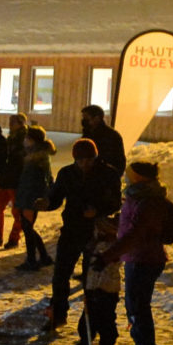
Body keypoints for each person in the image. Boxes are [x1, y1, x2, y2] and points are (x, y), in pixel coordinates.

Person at [94, 156, 173, 345]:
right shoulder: (138, 197)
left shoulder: (148, 201)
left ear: (138, 178)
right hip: (137, 258)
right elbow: (129, 227)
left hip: (145, 260)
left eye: (129, 175)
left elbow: (135, 235)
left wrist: (107, 256)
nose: (125, 178)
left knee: (138, 309)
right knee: (136, 307)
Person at [42, 136, 120, 330]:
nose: (85, 164)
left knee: (90, 278)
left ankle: (89, 324)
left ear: (95, 157)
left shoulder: (108, 174)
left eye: (89, 159)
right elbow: (56, 197)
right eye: (81, 160)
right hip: (71, 228)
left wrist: (98, 210)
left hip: (96, 232)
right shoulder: (67, 173)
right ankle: (58, 314)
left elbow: (116, 202)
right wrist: (46, 204)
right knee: (61, 274)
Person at [74, 220, 123, 345]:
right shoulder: (94, 245)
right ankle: (86, 338)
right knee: (89, 315)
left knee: (105, 318)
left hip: (105, 288)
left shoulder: (111, 247)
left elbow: (108, 268)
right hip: (93, 286)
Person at [11, 127, 54, 270]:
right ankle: (43, 256)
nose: (24, 141)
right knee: (27, 226)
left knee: (27, 227)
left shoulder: (37, 159)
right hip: (28, 196)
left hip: (30, 198)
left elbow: (37, 181)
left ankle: (32, 260)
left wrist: (32, 198)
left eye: (27, 138)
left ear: (32, 140)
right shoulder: (35, 156)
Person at [0, 114, 28, 244]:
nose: (11, 124)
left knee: (17, 212)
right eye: (10, 121)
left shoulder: (24, 139)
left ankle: (13, 238)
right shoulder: (10, 139)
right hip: (6, 179)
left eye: (14, 122)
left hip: (16, 180)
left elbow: (19, 160)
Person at [78, 102, 127, 180]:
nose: (83, 121)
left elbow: (116, 161)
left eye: (86, 118)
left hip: (105, 176)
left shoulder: (112, 136)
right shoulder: (87, 134)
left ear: (97, 118)